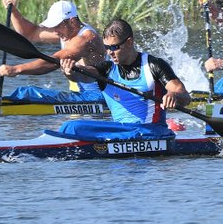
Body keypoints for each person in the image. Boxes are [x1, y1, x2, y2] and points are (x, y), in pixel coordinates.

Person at [57, 18, 191, 139]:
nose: (109, 52)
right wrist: (71, 72)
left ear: (129, 42)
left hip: (151, 131)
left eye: (114, 47)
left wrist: (173, 95)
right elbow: (84, 74)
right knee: (71, 126)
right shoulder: (106, 69)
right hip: (121, 131)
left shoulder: (154, 65)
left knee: (73, 128)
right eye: (107, 47)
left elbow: (184, 96)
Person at [0, 0, 105, 95]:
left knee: (29, 93)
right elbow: (30, 33)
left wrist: (16, 69)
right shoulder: (67, 30)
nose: (54, 31)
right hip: (79, 93)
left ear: (72, 21)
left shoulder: (86, 39)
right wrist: (13, 11)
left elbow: (53, 62)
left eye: (56, 26)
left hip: (99, 94)